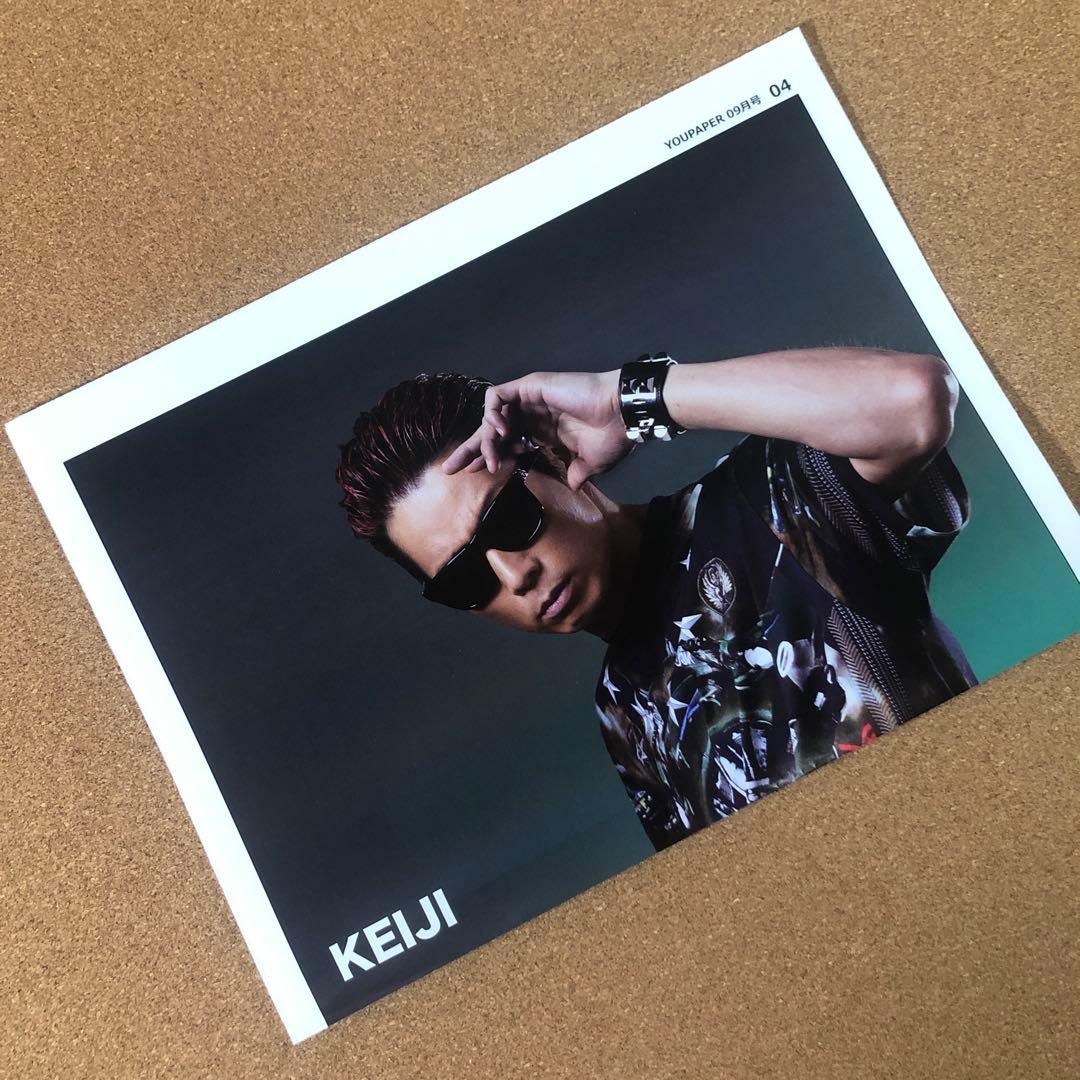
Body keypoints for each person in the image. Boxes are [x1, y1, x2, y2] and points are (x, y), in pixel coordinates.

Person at [335, 347, 978, 851]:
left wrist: (632, 400)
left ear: (552, 456)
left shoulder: (765, 499)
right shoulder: (620, 709)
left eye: (506, 519)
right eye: (464, 580)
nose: (513, 575)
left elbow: (914, 399)